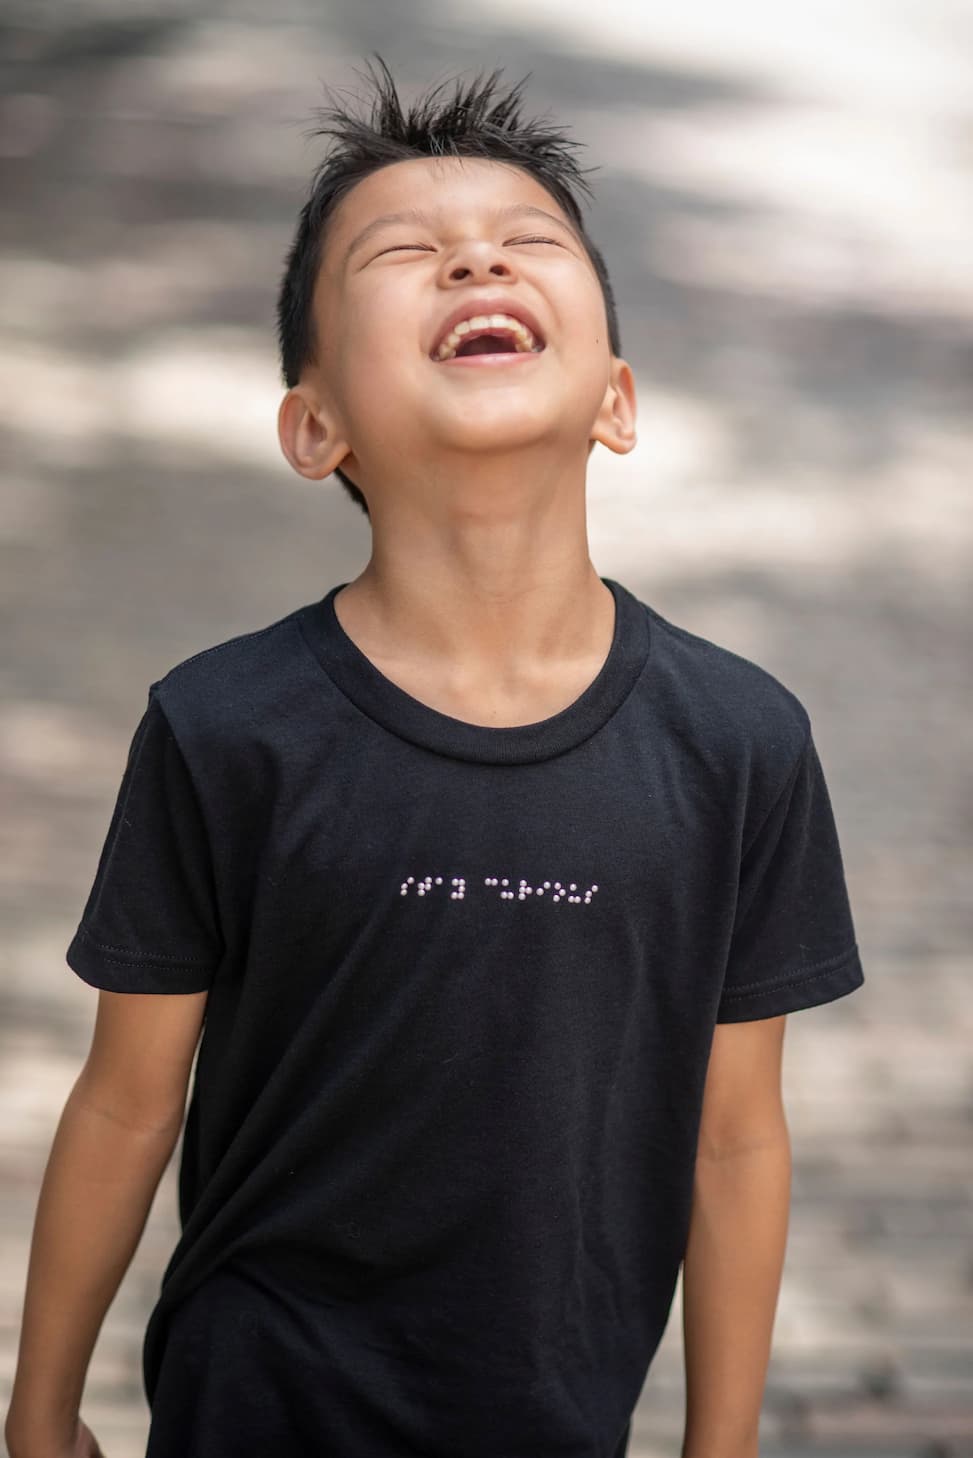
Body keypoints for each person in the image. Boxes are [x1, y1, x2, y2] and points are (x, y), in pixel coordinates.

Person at [5, 54, 865, 1458]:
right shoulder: (225, 726)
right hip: (253, 1399)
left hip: (551, 1415)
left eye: (529, 243)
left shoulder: (736, 741)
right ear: (314, 422)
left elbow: (733, 1134)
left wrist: (721, 1443)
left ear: (615, 399)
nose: (476, 257)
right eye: (402, 255)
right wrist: (39, 1405)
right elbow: (125, 1094)